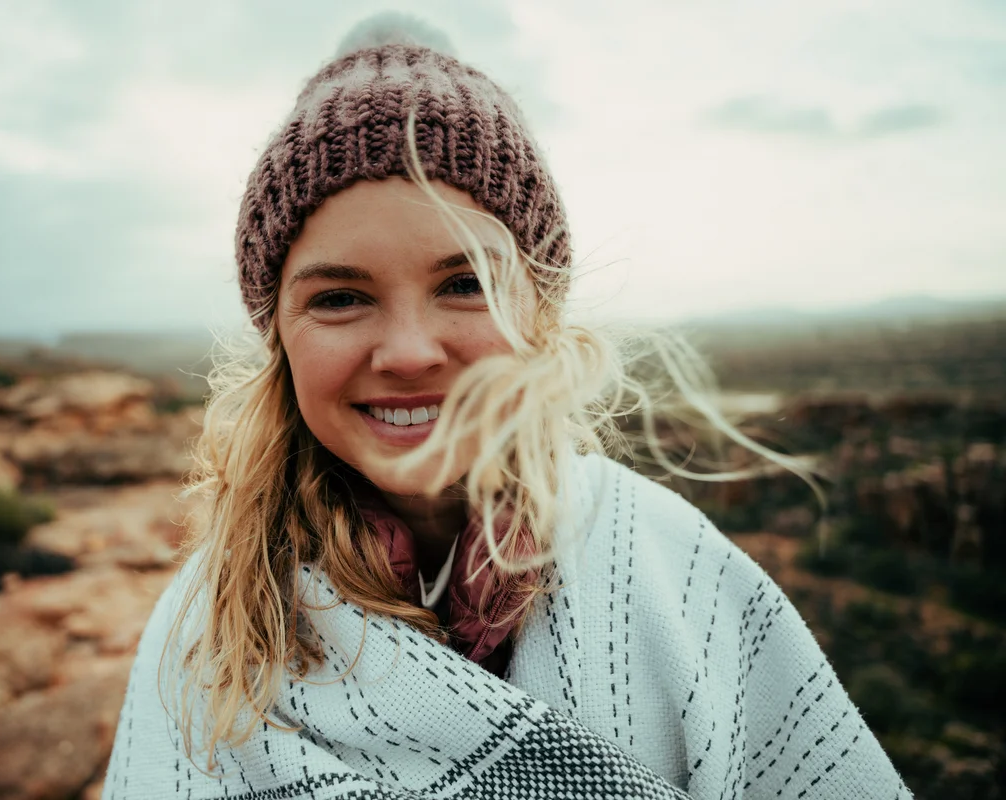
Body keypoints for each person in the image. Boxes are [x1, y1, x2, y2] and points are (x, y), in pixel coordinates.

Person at [104, 13, 911, 800]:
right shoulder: (210, 630)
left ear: (541, 310)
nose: (409, 352)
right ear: (278, 334)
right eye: (341, 297)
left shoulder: (674, 571)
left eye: (465, 284)